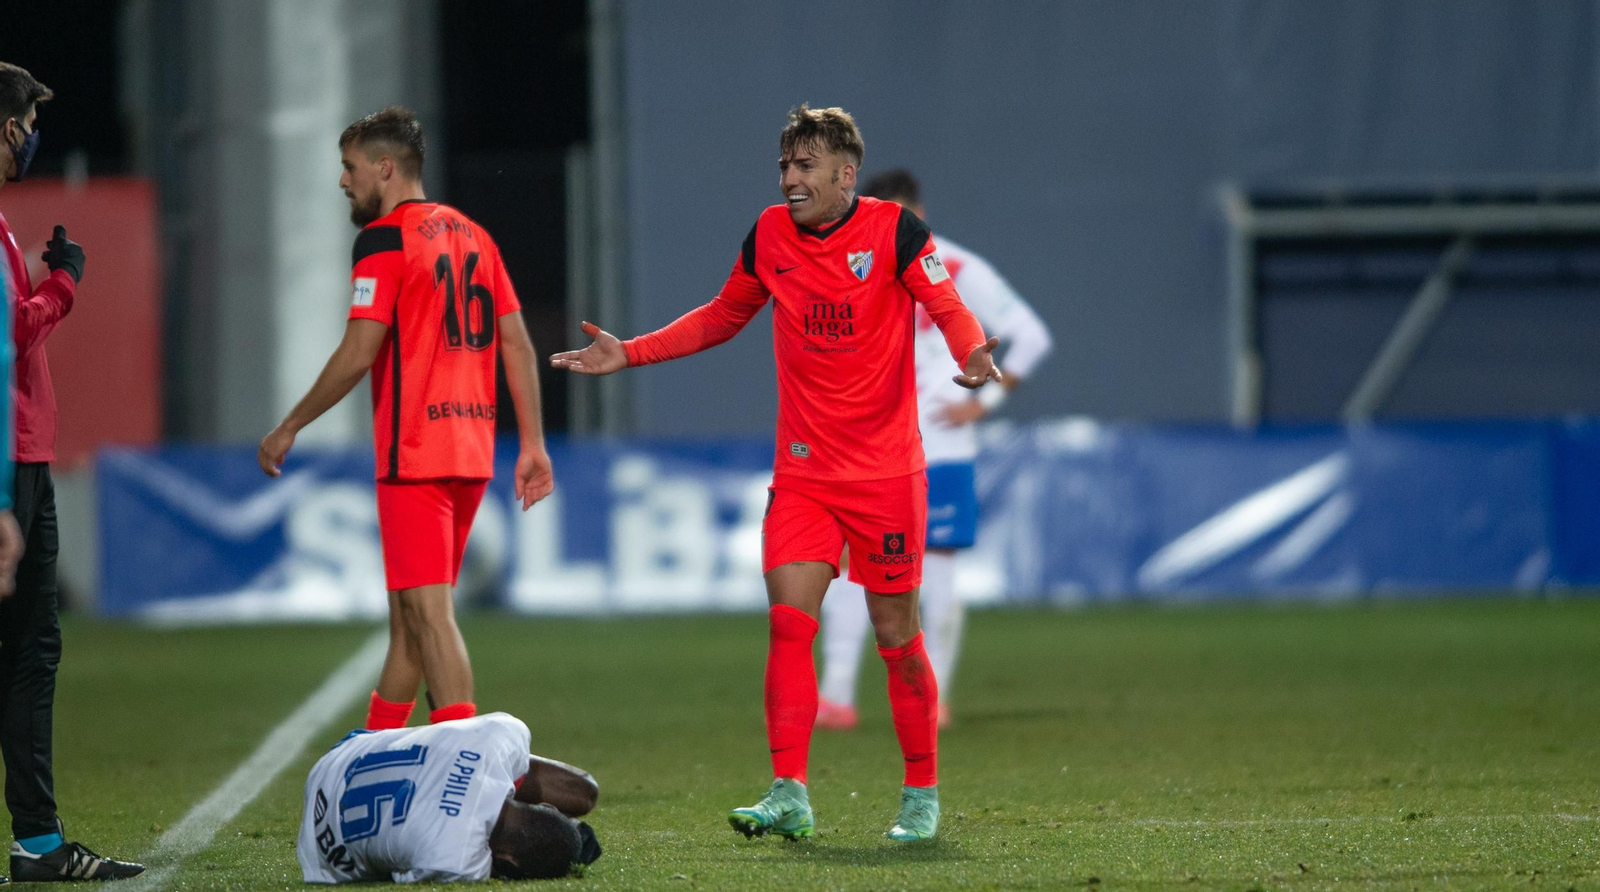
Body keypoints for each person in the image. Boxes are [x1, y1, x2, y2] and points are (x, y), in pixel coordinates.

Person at [551, 105, 1000, 842]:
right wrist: (629, 351)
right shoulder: (768, 235)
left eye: (804, 166)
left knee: (896, 636)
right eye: (785, 166)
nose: (790, 179)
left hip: (887, 475)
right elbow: (723, 316)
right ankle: (790, 788)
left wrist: (972, 352)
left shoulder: (894, 232)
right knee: (790, 624)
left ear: (844, 174)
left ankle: (921, 792)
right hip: (804, 476)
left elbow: (946, 304)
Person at [258, 107, 554, 731]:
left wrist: (290, 425)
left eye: (350, 167)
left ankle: (468, 771)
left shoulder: (384, 239)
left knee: (430, 618)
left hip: (415, 454)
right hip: (471, 452)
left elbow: (359, 350)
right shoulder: (475, 235)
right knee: (410, 628)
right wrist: (531, 444)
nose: (343, 181)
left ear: (385, 169)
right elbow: (518, 345)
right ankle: (369, 752)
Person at [817, 169, 1054, 731]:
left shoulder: (957, 266)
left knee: (933, 572)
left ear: (917, 213)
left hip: (938, 445)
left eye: (903, 217)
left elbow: (1031, 334)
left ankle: (929, 698)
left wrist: (986, 404)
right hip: (868, 446)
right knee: (853, 567)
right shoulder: (851, 265)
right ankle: (838, 697)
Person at [0, 62, 144, 883]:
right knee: (28, 650)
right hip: (12, 459)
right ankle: (40, 844)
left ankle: (40, 839)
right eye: (25, 126)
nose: (30, 142)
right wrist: (65, 281)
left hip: (20, 456)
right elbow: (11, 336)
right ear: (7, 128)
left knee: (27, 649)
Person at [298, 711, 601, 883]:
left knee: (583, 793)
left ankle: (485, 783)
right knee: (583, 797)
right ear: (508, 861)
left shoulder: (504, 731)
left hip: (342, 757)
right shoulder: (454, 860)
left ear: (545, 806)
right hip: (321, 837)